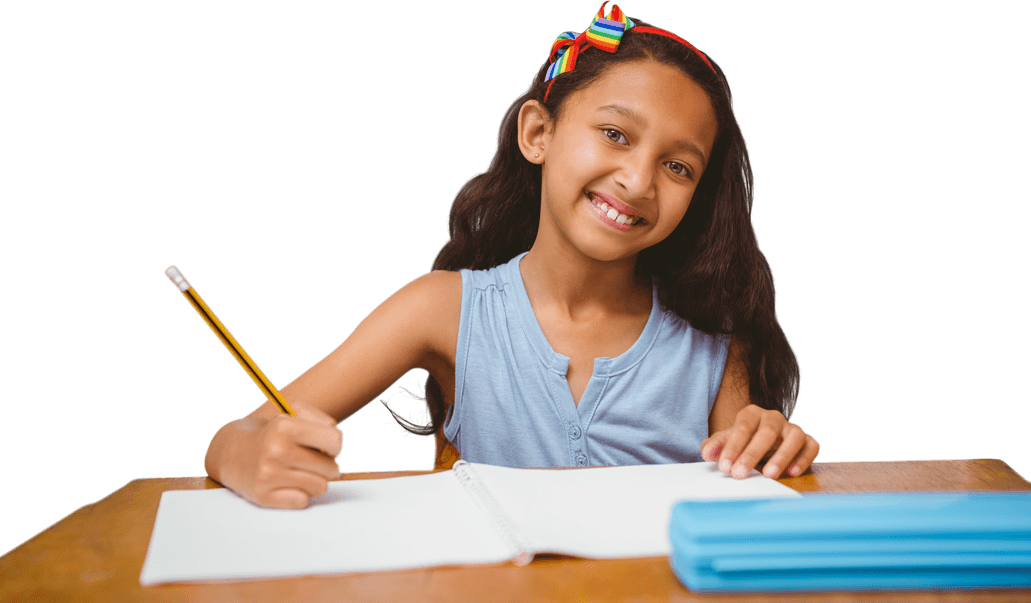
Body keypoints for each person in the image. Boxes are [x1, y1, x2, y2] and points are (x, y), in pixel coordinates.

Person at [203, 2, 820, 509]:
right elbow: (239, 434)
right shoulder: (441, 309)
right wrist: (245, 453)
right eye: (614, 134)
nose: (638, 180)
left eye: (678, 166)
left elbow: (749, 495)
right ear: (538, 134)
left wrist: (769, 447)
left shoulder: (715, 345)